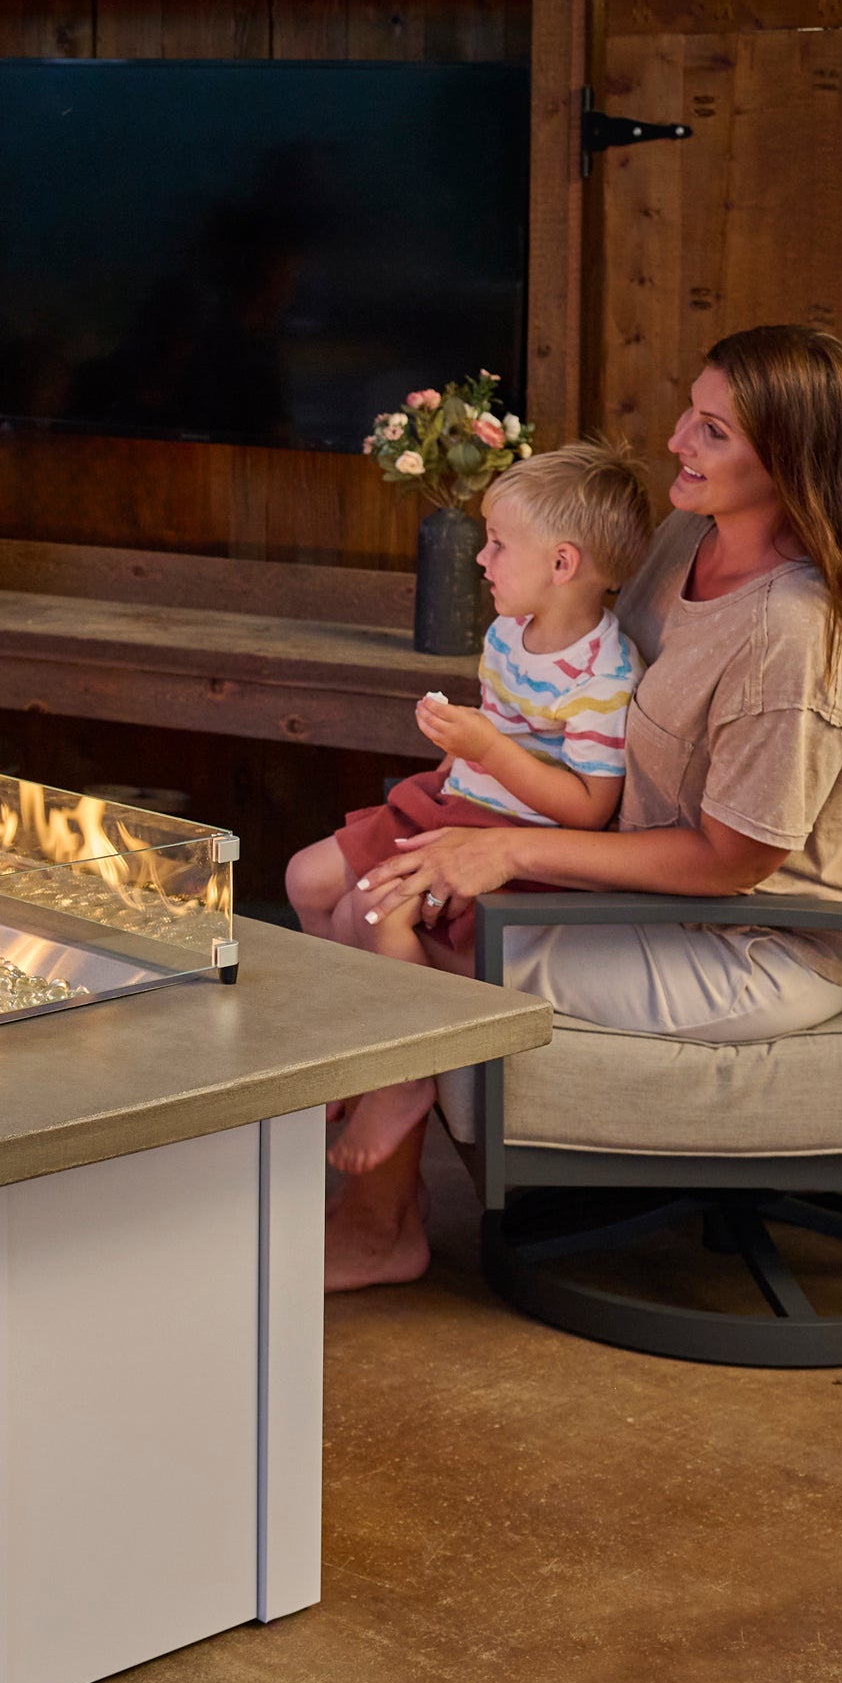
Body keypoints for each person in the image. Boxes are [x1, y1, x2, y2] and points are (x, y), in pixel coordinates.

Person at [336, 326, 842, 1291]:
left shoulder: (788, 633)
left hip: (751, 941)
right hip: (638, 888)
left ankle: (379, 1221)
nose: (680, 440)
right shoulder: (689, 543)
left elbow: (735, 863)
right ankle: (396, 1211)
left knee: (409, 927)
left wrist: (510, 854)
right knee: (359, 889)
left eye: (715, 432)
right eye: (692, 412)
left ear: (787, 462)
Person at [285, 440, 657, 1180]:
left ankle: (404, 1075)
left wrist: (486, 746)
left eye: (496, 545)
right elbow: (488, 734)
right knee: (305, 878)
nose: (481, 560)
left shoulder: (604, 678)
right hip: (456, 802)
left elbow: (588, 809)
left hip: (518, 837)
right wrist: (457, 751)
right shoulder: (505, 635)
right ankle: (350, 1046)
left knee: (367, 910)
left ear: (562, 564)